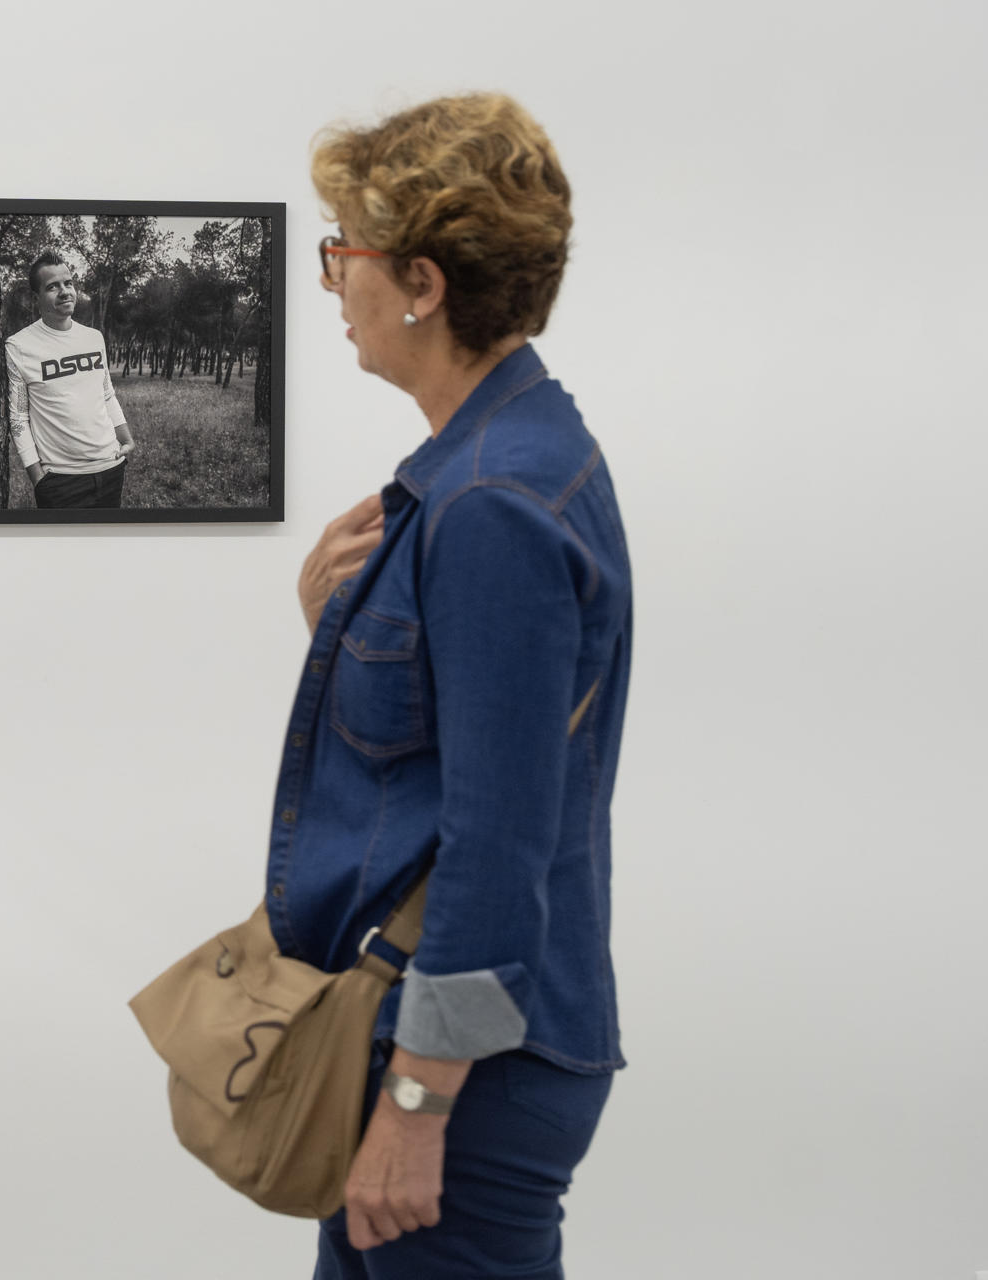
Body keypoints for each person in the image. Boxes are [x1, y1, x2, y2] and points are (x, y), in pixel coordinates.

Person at [273, 92, 634, 1279]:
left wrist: (418, 1107)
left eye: (346, 256)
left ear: (421, 281)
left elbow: (496, 840)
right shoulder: (508, 454)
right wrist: (339, 625)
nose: (335, 285)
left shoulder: (489, 506)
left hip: (459, 1078)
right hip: (423, 1047)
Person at [4, 250, 137, 508]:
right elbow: (18, 416)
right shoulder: (19, 346)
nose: (65, 291)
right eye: (53, 286)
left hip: (112, 468)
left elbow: (106, 393)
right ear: (37, 297)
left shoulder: (93, 338)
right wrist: (37, 478)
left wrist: (126, 438)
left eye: (68, 283)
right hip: (61, 482)